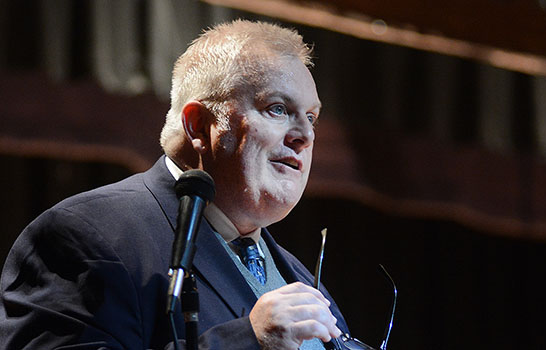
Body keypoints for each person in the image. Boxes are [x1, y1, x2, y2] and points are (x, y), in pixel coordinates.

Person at [0, 20, 349, 349]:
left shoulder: (301, 279)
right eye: (276, 108)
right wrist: (246, 341)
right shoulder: (87, 236)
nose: (305, 136)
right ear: (198, 125)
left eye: (311, 117)